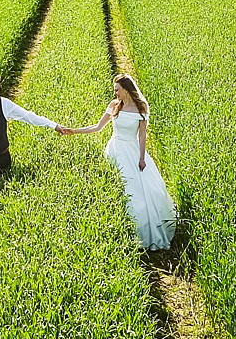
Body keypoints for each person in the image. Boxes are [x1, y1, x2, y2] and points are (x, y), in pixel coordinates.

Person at [58, 74, 177, 250]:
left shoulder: (141, 107)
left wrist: (142, 158)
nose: (115, 93)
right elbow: (97, 127)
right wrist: (74, 131)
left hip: (132, 151)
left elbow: (142, 134)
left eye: (117, 90)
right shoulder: (114, 106)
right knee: (116, 187)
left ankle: (144, 234)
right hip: (115, 150)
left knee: (139, 191)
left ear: (127, 89)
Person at [0, 72, 63, 196]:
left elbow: (27, 116)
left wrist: (53, 125)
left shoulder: (4, 104)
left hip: (2, 158)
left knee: (5, 193)